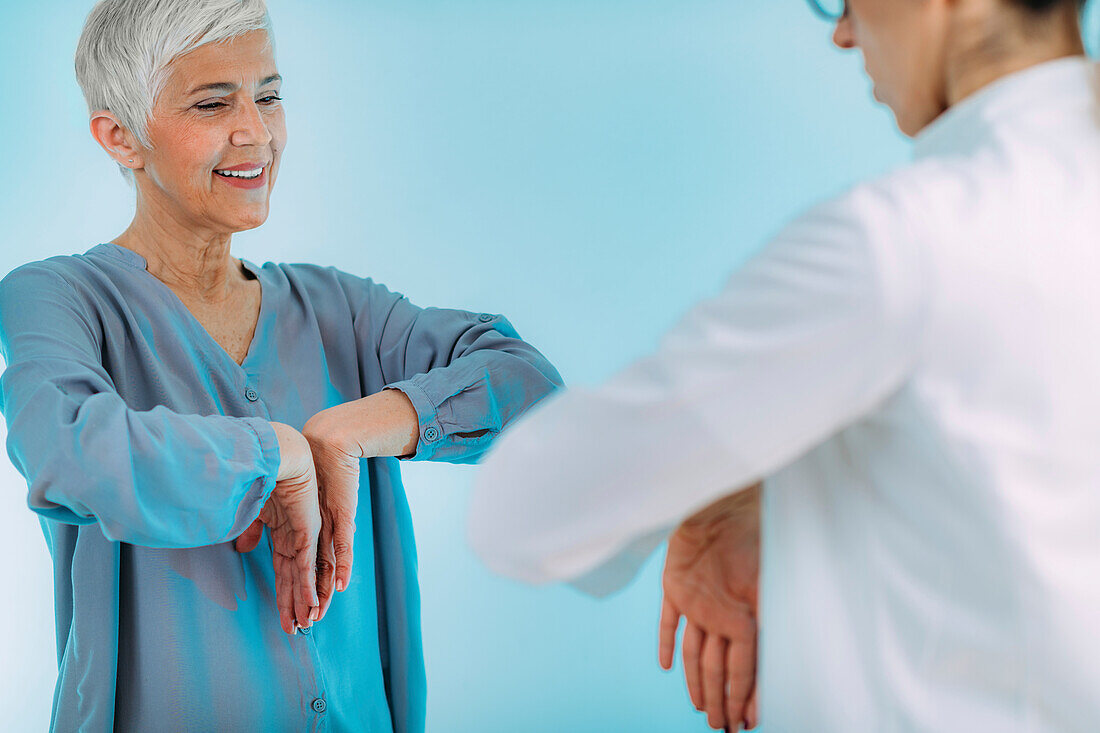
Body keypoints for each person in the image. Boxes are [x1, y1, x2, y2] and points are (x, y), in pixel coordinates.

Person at [467, 0, 1100, 730]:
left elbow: (522, 511)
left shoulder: (903, 245)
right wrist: (779, 486)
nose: (842, 30)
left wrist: (717, 477)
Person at [0, 0, 563, 730]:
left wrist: (359, 427)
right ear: (120, 136)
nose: (257, 133)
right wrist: (278, 456)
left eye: (268, 95)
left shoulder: (341, 309)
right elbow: (69, 449)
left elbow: (529, 384)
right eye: (213, 103)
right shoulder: (58, 299)